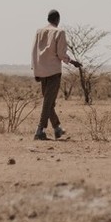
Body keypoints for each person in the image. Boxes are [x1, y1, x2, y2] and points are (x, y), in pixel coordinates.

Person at [31, 9, 82, 140]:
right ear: (58, 19)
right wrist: (71, 61)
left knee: (49, 102)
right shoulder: (59, 32)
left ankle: (57, 128)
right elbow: (61, 54)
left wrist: (35, 69)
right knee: (48, 102)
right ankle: (39, 130)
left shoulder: (39, 32)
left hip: (41, 71)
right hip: (53, 71)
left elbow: (34, 52)